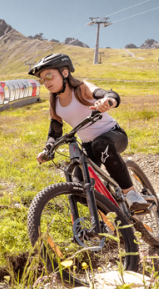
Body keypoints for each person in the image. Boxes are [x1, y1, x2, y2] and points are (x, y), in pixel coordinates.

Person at [30, 53, 149, 213]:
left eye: (49, 76)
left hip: (113, 135)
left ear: (64, 72)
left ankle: (132, 195)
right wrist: (48, 148)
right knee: (79, 191)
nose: (46, 82)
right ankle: (115, 216)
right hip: (88, 146)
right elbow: (55, 132)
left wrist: (107, 102)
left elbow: (109, 94)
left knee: (101, 144)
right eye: (42, 79)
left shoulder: (81, 88)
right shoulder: (55, 103)